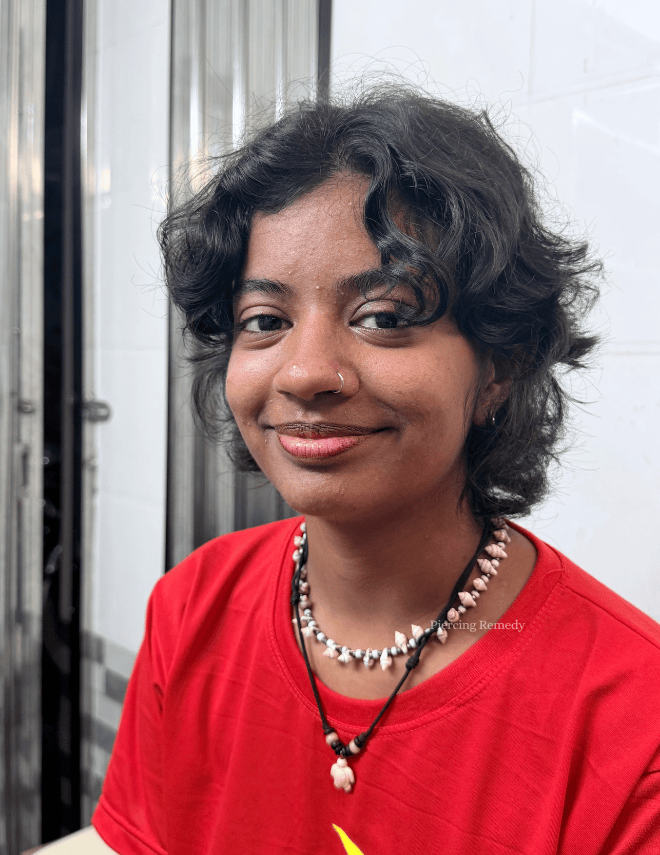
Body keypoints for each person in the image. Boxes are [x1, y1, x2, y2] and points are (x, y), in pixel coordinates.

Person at [87, 87, 659, 854]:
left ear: (499, 366)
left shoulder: (632, 718)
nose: (307, 374)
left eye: (384, 317)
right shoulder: (190, 609)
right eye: (266, 322)